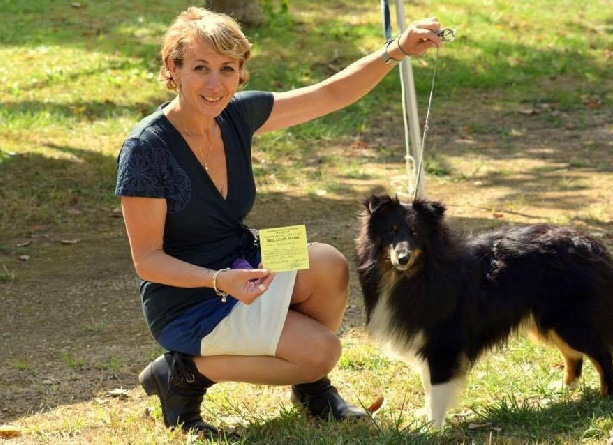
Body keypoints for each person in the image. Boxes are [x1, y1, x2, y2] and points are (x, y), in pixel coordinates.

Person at [115, 5, 444, 439]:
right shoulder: (145, 149)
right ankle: (183, 372)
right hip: (189, 299)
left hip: (243, 260)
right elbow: (148, 261)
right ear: (172, 69)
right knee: (324, 351)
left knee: (328, 264)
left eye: (227, 68)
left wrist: (397, 50)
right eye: (200, 68)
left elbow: (328, 95)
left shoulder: (236, 115)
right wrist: (219, 280)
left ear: (240, 72)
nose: (216, 84)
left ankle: (309, 388)